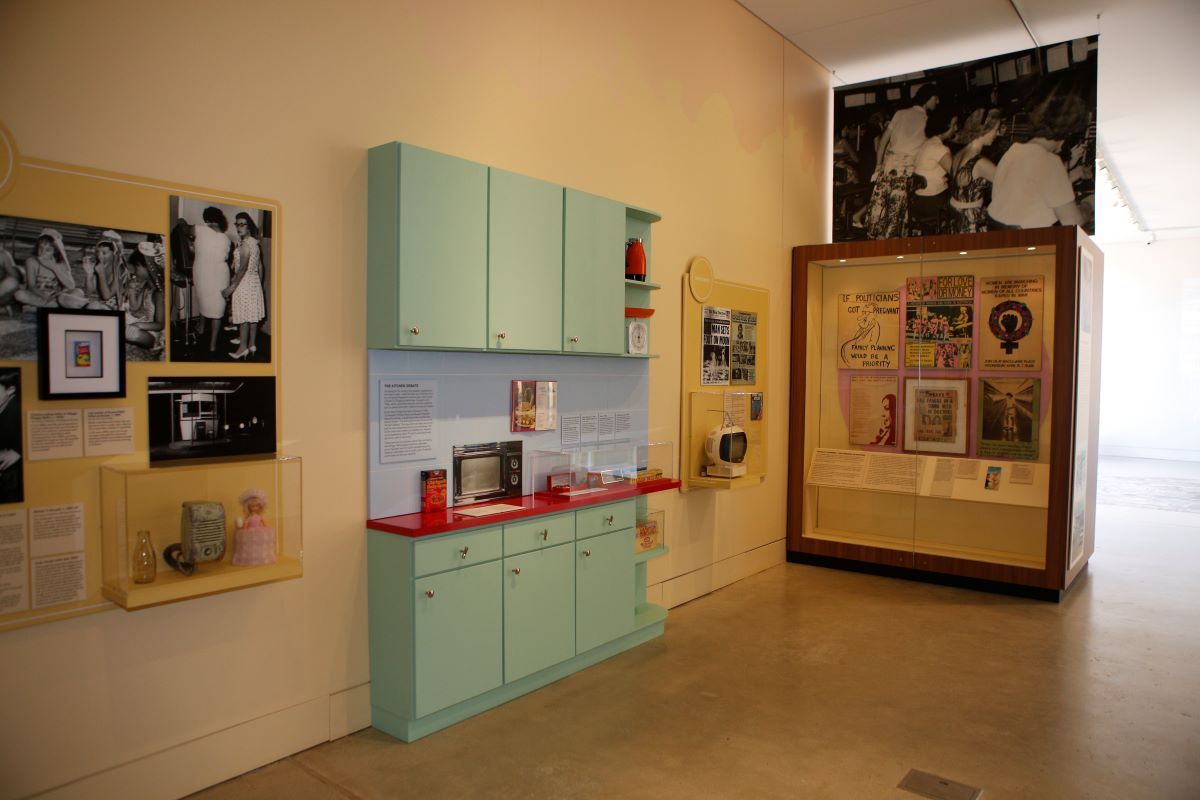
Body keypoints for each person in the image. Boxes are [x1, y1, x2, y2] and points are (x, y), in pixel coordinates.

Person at [865, 84, 940, 239]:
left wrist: (878, 166)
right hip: (906, 171)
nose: (937, 102)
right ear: (929, 98)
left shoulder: (900, 113)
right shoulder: (929, 120)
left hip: (888, 166)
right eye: (936, 98)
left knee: (880, 210)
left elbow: (882, 143)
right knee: (896, 215)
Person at [988, 120, 1084, 229]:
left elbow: (1032, 184)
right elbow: (1074, 221)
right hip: (1033, 238)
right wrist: (1088, 204)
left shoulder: (1014, 150)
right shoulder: (1049, 160)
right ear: (1064, 136)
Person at [13, 228, 103, 309]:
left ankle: (55, 305)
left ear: (55, 251)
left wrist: (53, 267)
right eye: (41, 248)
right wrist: (44, 296)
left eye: (48, 250)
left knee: (78, 291)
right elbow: (31, 286)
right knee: (19, 294)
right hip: (40, 295)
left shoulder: (60, 263)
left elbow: (71, 285)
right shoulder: (31, 261)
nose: (43, 252)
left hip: (59, 295)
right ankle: (60, 305)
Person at [223, 212, 266, 359]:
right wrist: (257, 285)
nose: (238, 227)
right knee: (252, 317)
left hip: (244, 282)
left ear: (249, 226)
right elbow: (260, 267)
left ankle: (242, 348)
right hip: (253, 282)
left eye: (242, 224)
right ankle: (251, 344)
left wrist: (230, 289)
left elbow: (241, 269)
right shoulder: (255, 243)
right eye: (237, 224)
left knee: (243, 318)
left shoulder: (245, 245)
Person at [191, 207, 234, 353]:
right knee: (217, 308)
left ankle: (201, 329)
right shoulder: (227, 239)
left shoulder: (199, 230)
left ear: (207, 220)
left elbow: (182, 228)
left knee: (204, 299)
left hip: (203, 272)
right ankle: (212, 345)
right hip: (221, 273)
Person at [949, 121, 1001, 233]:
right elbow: (1007, 184)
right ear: (985, 130)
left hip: (955, 215)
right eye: (996, 130)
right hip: (971, 221)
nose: (997, 134)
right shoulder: (981, 163)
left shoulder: (959, 153)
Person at [122, 242, 165, 352]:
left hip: (152, 333)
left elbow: (160, 324)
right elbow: (135, 308)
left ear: (150, 267)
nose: (135, 271)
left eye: (137, 267)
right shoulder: (147, 286)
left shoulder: (159, 293)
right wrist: (131, 290)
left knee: (132, 333)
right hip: (142, 322)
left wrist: (138, 325)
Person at [232, 487, 276, 566]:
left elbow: (264, 523)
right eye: (252, 506)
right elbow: (246, 523)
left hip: (259, 530)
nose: (254, 508)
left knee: (261, 545)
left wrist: (266, 528)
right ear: (248, 507)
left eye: (256, 506)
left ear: (260, 507)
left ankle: (262, 557)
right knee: (250, 546)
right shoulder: (248, 518)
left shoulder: (259, 517)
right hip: (250, 530)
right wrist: (244, 529)